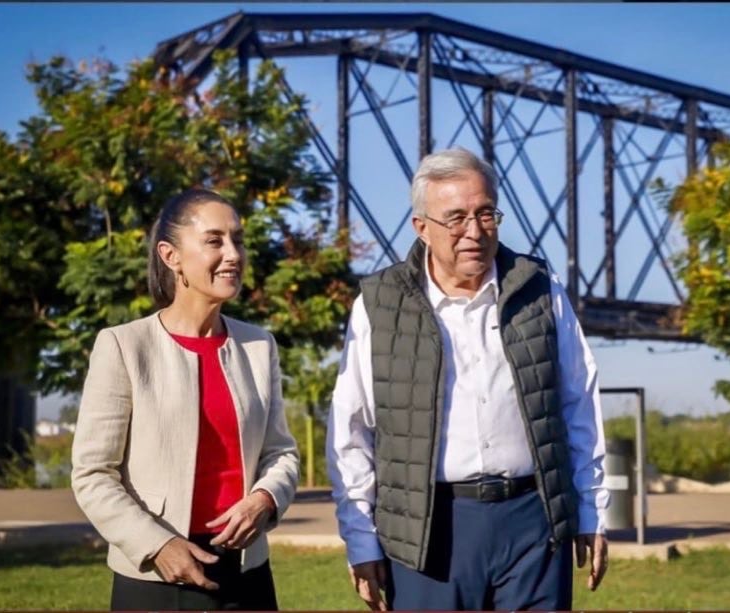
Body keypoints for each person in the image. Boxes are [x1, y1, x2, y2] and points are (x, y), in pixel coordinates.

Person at [327, 148, 609, 611]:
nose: (474, 232)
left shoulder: (540, 287)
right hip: (429, 529)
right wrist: (361, 540)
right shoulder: (379, 304)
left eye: (485, 214)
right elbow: (351, 429)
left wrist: (592, 510)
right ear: (422, 228)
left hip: (534, 524)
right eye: (455, 218)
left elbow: (580, 401)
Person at [71, 188, 299, 611]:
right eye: (214, 241)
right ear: (170, 256)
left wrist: (265, 499)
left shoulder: (258, 345)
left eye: (238, 240)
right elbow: (92, 474)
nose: (233, 254)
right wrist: (157, 545)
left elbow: (281, 452)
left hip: (247, 574)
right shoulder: (123, 346)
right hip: (156, 575)